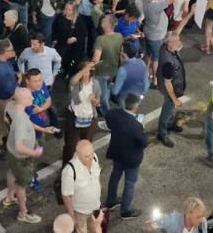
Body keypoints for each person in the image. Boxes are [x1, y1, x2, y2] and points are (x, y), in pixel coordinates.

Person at [4, 86, 44, 224]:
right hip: (21, 158)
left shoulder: (10, 106)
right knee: (22, 186)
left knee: (12, 171)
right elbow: (19, 146)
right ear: (21, 101)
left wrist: (43, 129)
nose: (32, 98)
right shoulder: (21, 119)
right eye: (29, 97)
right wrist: (34, 152)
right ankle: (23, 212)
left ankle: (9, 196)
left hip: (10, 152)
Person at [104, 92, 146, 220]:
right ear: (135, 107)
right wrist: (142, 128)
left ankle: (111, 201)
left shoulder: (113, 114)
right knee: (130, 182)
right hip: (131, 159)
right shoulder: (136, 126)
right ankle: (125, 211)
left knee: (115, 175)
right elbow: (144, 142)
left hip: (117, 152)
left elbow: (108, 122)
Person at [61, 139, 102, 233]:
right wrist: (72, 216)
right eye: (87, 156)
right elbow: (66, 196)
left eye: (92, 153)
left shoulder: (94, 157)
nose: (91, 157)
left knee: (94, 228)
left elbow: (97, 178)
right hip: (80, 212)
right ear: (78, 155)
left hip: (94, 206)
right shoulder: (69, 171)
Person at [156, 31, 186, 147]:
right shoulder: (168, 62)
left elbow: (178, 29)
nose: (179, 42)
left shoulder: (165, 47)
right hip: (170, 90)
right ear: (169, 43)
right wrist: (174, 99)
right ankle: (162, 133)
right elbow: (168, 84)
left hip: (174, 86)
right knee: (167, 110)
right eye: (176, 41)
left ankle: (170, 123)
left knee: (170, 109)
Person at [0, 40, 18, 156]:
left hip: (6, 97)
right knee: (0, 121)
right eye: (11, 50)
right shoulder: (0, 70)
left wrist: (15, 74)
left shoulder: (1, 60)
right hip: (3, 100)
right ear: (4, 52)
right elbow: (8, 89)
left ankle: (5, 136)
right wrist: (18, 82)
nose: (13, 51)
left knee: (5, 121)